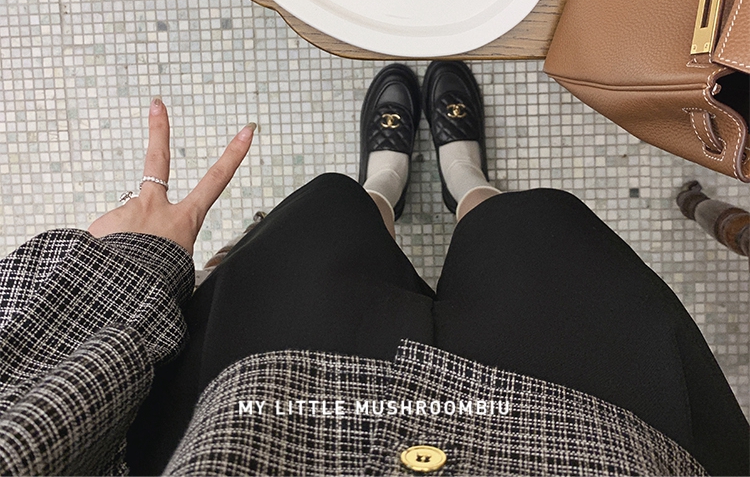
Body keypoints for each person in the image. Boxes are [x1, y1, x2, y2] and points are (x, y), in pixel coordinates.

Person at [0, 62, 747, 476]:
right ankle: (465, 181)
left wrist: (125, 270)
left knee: (328, 212)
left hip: (258, 412)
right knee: (540, 228)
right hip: (600, 440)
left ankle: (384, 186)